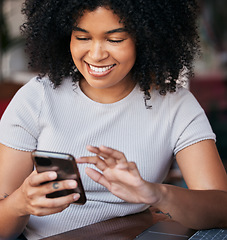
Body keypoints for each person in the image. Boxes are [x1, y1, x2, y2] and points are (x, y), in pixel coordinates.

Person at [0, 0, 227, 239]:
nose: (96, 55)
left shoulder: (175, 104)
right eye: (82, 37)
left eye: (114, 40)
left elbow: (222, 209)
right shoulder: (38, 97)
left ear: (145, 38)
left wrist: (157, 194)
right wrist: (20, 203)